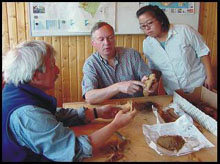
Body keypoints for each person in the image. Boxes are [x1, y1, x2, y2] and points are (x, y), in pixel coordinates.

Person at [2, 40, 137, 162]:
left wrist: (96, 112)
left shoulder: (14, 88)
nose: (58, 70)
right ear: (35, 76)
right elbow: (75, 150)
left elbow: (50, 116)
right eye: (52, 66)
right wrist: (115, 125)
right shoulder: (28, 114)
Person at [136, 5, 215, 95]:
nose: (147, 28)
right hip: (173, 91)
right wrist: (152, 82)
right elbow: (155, 68)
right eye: (143, 26)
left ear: (161, 20)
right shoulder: (147, 44)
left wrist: (210, 77)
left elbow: (203, 52)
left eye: (150, 23)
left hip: (198, 85)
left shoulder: (184, 31)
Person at [82, 22, 158, 104]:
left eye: (110, 38)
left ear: (115, 39)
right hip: (109, 110)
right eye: (101, 39)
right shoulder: (90, 64)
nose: (107, 43)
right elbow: (89, 97)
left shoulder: (132, 55)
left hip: (138, 106)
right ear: (93, 43)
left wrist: (149, 84)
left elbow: (148, 78)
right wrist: (117, 87)